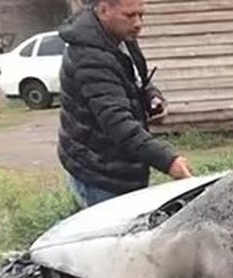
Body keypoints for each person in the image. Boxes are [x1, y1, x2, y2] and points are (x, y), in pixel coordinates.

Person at [58, 0, 192, 209]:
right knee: (111, 239)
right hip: (99, 172)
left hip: (123, 163)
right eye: (130, 15)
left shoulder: (120, 37)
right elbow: (117, 122)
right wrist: (168, 161)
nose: (138, 23)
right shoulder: (90, 57)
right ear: (104, 10)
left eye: (141, 15)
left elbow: (137, 79)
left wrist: (151, 96)